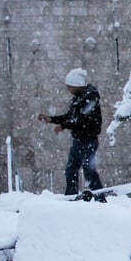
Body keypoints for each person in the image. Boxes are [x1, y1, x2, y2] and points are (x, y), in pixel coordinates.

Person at [38, 68, 103, 196]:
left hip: (88, 140)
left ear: (76, 85)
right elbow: (71, 116)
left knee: (89, 172)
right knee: (71, 170)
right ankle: (71, 197)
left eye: (69, 86)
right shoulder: (78, 98)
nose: (68, 89)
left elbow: (82, 120)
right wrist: (52, 119)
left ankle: (100, 198)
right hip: (78, 141)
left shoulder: (90, 98)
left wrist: (63, 126)